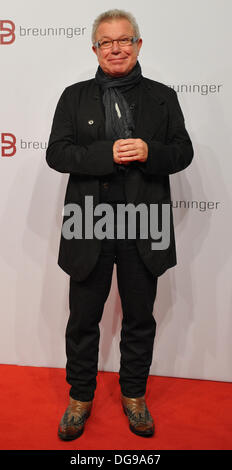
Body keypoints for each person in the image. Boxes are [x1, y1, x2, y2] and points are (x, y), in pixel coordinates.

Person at [46, 9, 193, 440]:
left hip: (145, 222)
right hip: (88, 221)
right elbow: (57, 153)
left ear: (139, 45)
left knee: (140, 318)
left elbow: (182, 152)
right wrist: (104, 155)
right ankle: (80, 398)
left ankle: (133, 395)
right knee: (83, 318)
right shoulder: (73, 96)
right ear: (94, 48)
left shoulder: (163, 97)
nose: (116, 48)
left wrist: (151, 151)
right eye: (106, 42)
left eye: (124, 40)